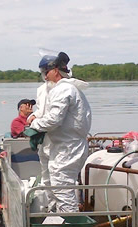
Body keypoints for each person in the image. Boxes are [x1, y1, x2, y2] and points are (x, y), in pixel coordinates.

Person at [27, 52, 92, 213]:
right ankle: (59, 216)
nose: (45, 77)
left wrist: (34, 125)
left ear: (55, 70)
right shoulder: (68, 88)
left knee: (61, 186)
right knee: (58, 184)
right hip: (66, 145)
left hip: (68, 146)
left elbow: (53, 119)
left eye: (45, 73)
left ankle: (69, 226)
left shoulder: (63, 89)